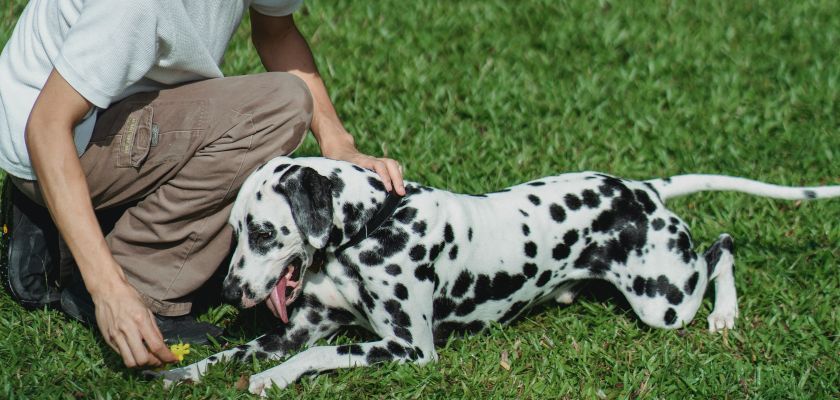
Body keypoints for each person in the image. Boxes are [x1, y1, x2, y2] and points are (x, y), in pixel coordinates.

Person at [0, 0, 405, 368]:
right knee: (274, 110)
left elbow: (276, 31)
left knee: (277, 109)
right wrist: (109, 290)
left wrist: (338, 144)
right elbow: (46, 126)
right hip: (52, 142)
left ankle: (59, 225)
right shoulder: (131, 7)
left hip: (110, 106)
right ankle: (135, 276)